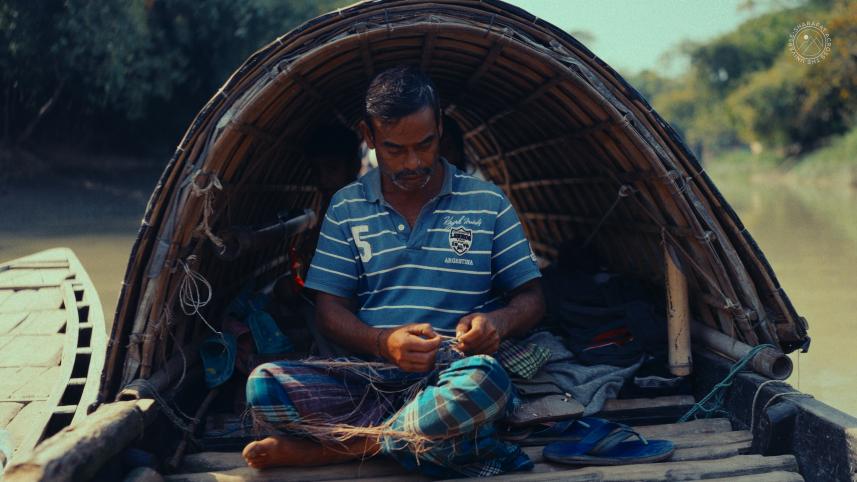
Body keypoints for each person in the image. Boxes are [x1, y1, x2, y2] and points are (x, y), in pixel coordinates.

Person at [242, 66, 545, 477]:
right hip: (367, 380)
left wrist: (496, 323)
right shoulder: (347, 207)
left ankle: (344, 448)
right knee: (264, 385)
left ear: (439, 126)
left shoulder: (488, 202)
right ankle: (428, 439)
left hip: (454, 376)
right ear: (367, 135)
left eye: (426, 144)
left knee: (486, 382)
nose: (413, 163)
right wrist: (384, 343)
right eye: (394, 150)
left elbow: (531, 299)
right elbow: (330, 313)